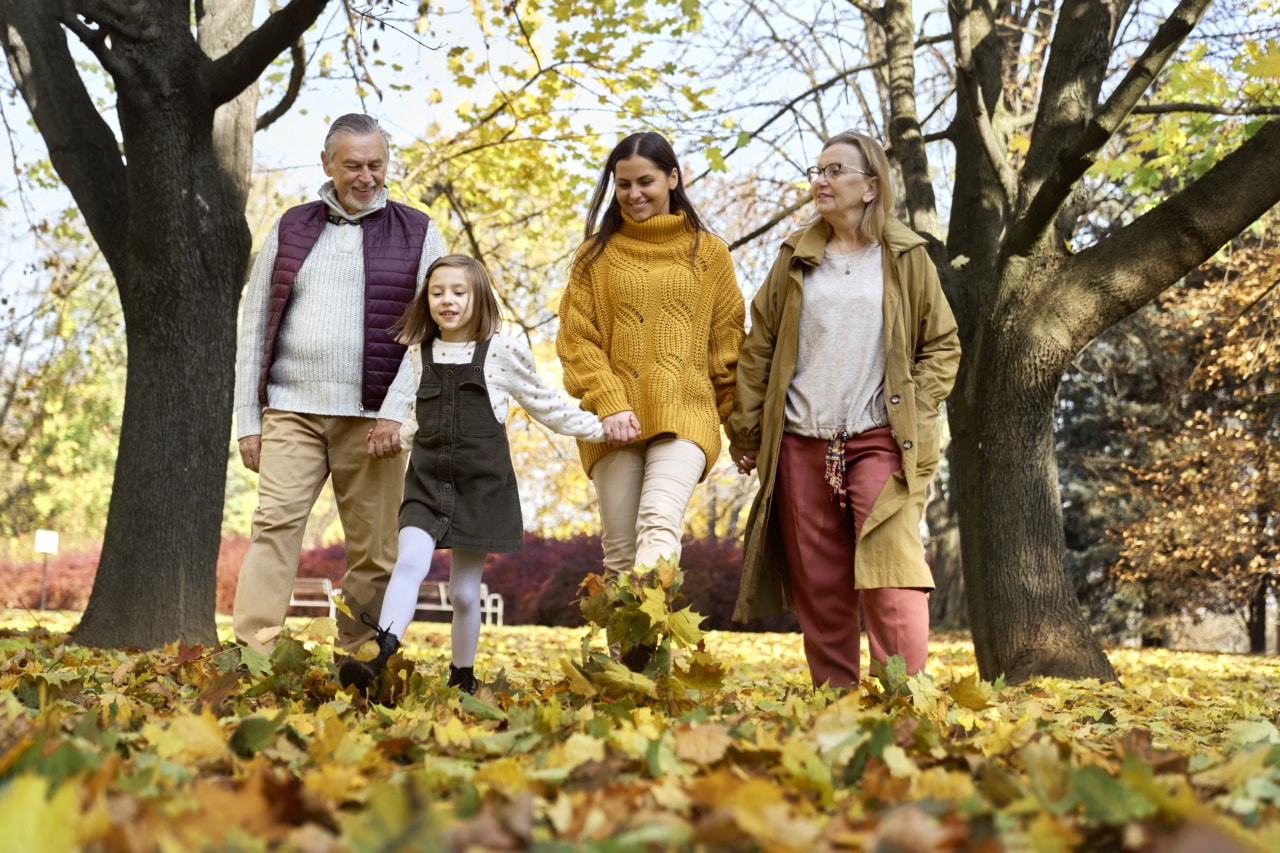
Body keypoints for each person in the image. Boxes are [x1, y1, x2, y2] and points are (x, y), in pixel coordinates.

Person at [726, 131, 961, 689]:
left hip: (879, 438)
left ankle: (904, 699)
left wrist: (912, 404)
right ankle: (836, 702)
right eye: (818, 170)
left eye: (836, 171)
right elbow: (759, 346)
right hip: (801, 443)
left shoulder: (905, 257)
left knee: (892, 572)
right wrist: (747, 428)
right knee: (819, 581)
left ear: (871, 186)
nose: (821, 181)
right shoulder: (795, 257)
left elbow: (942, 345)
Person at [338, 254, 606, 695]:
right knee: (409, 563)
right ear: (426, 300)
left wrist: (601, 427)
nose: (447, 300)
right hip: (425, 484)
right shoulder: (417, 355)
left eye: (458, 292)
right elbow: (422, 419)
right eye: (437, 292)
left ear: (478, 296)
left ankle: (462, 675)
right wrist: (393, 439)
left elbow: (545, 404)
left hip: (480, 489)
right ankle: (379, 657)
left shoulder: (502, 351)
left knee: (463, 592)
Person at [233, 113, 444, 656]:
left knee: (375, 549)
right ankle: (255, 655)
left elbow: (431, 333)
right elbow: (255, 323)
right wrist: (249, 421)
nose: (366, 176)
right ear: (327, 164)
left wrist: (398, 412)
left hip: (374, 418)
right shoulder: (291, 225)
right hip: (290, 410)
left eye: (376, 164)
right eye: (353, 165)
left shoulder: (419, 231)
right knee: (273, 529)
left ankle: (358, 656)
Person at [555, 131, 745, 585]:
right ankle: (627, 658)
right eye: (623, 184)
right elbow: (577, 342)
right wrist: (610, 402)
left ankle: (652, 638)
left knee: (658, 525)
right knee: (620, 552)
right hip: (612, 422)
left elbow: (727, 349)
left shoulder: (710, 255)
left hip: (686, 412)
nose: (634, 194)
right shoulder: (593, 257)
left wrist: (742, 430)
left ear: (672, 178)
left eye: (646, 181)